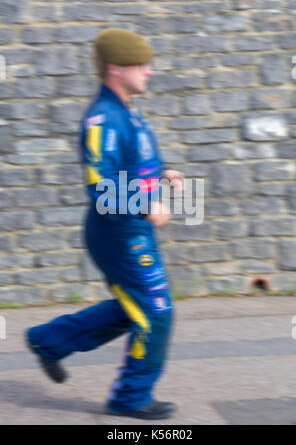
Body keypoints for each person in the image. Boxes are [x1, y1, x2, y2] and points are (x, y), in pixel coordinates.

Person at [25, 28, 184, 420]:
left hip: (133, 228)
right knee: (157, 312)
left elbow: (131, 162)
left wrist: (164, 173)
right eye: (141, 65)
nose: (149, 72)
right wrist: (148, 206)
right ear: (115, 68)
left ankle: (50, 341)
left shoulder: (128, 109)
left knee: (137, 307)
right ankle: (130, 398)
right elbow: (101, 186)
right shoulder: (102, 120)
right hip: (118, 233)